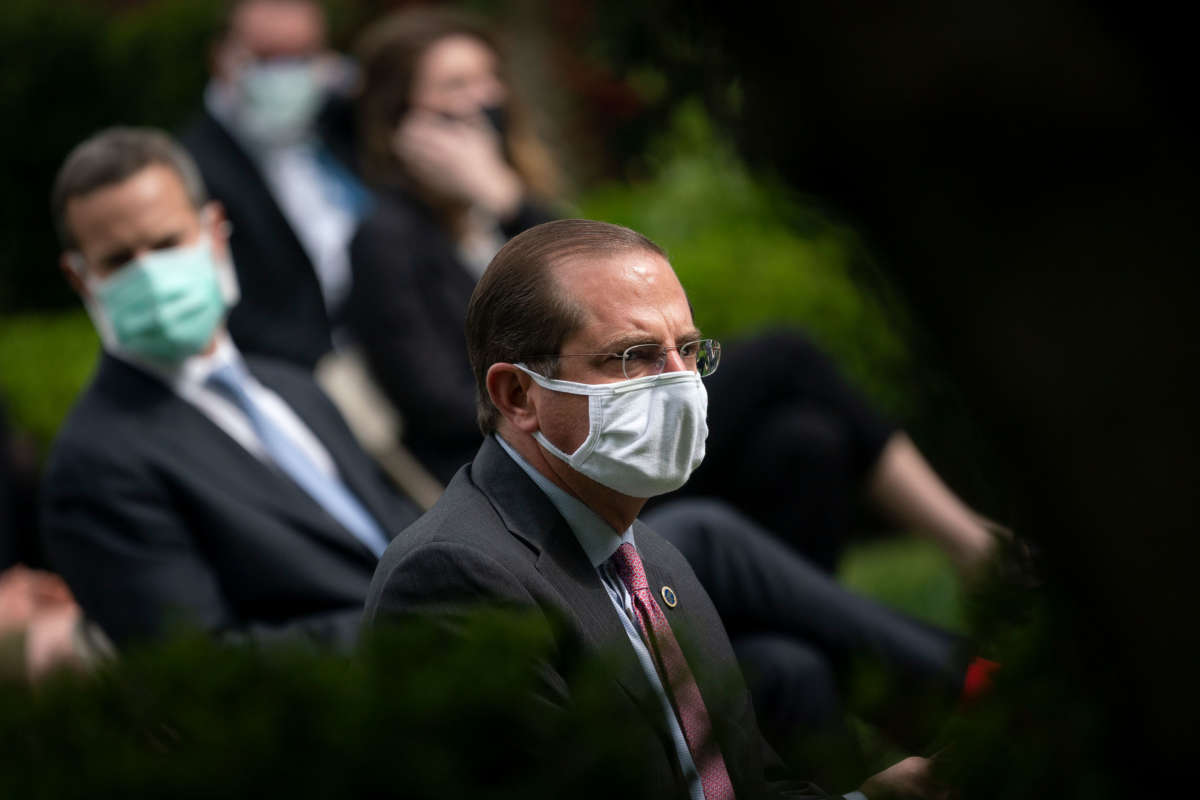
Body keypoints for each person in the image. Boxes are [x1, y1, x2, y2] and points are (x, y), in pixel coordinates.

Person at [344, 7, 999, 577]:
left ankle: (804, 676)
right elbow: (436, 402)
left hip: (614, 428)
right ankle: (971, 546)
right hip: (557, 459)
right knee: (787, 355)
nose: (481, 102)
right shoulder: (385, 241)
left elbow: (602, 286)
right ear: (402, 122)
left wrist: (508, 202)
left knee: (807, 445)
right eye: (455, 87)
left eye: (488, 79)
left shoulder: (503, 214)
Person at [364, 219, 945, 799]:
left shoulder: (653, 559)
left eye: (688, 349)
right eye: (634, 356)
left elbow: (747, 787)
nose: (680, 382)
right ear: (519, 396)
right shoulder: (455, 580)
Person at [41, 127, 422, 648]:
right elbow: (202, 668)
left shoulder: (293, 387)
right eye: (120, 260)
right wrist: (418, 627)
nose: (151, 274)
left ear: (214, 232)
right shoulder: (95, 466)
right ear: (83, 279)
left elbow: (397, 535)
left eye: (166, 243)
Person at [180, 0, 369, 369]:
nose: (286, 74)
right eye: (268, 57)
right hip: (299, 371)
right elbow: (223, 311)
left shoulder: (344, 125)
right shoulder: (191, 170)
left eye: (301, 57)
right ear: (221, 56)